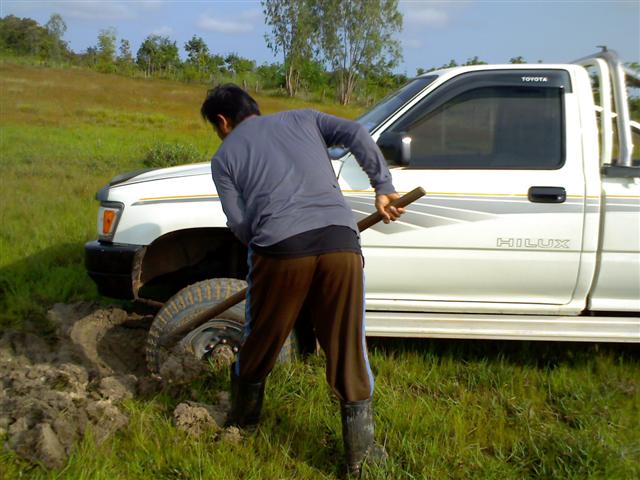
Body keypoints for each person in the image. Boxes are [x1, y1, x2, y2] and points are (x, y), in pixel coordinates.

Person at [200, 84, 404, 477]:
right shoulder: (304, 117)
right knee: (347, 344)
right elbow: (356, 132)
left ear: (222, 122)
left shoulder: (223, 157)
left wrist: (267, 239)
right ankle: (360, 456)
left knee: (261, 336)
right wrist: (383, 187)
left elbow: (238, 222)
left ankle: (243, 423)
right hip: (341, 242)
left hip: (280, 249)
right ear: (253, 108)